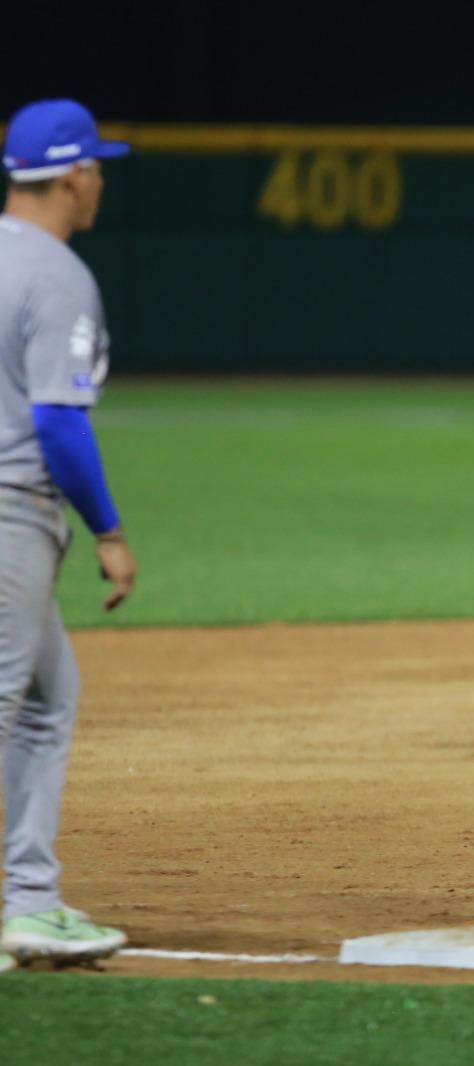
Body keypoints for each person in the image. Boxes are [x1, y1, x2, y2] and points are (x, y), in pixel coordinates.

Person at [0, 99, 137, 970]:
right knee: (11, 698)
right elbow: (57, 424)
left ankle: (32, 901)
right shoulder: (55, 274)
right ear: (74, 172)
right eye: (97, 166)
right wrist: (109, 531)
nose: (100, 181)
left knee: (47, 701)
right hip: (10, 507)